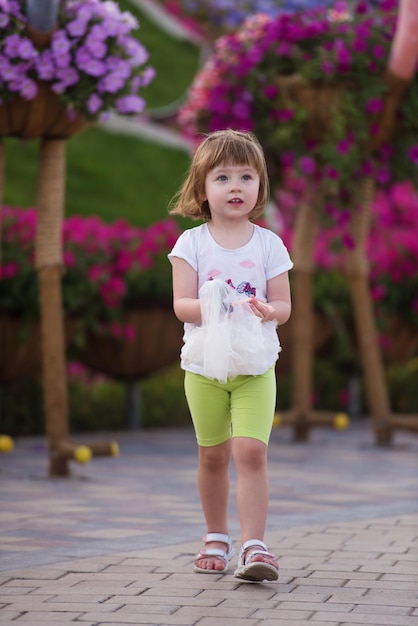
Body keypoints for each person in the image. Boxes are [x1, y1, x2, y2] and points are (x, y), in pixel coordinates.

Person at [168, 129, 293, 582]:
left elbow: (283, 306)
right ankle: (216, 536)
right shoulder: (192, 244)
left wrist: (265, 309)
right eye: (222, 177)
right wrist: (216, 302)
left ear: (260, 186)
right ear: (202, 189)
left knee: (251, 452)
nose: (235, 186)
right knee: (213, 455)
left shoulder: (269, 245)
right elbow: (182, 305)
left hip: (255, 366)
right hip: (204, 367)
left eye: (246, 176)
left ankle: (255, 546)